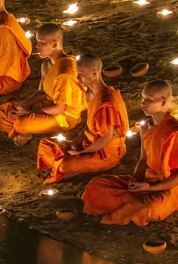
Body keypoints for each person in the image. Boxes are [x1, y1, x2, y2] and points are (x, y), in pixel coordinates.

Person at [81, 80, 178, 226]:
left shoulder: (177, 133)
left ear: (163, 102)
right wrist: (136, 180)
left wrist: (152, 188)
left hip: (170, 187)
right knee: (97, 185)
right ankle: (132, 201)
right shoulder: (146, 127)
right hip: (146, 181)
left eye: (149, 99)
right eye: (143, 98)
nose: (143, 103)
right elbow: (143, 160)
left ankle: (132, 205)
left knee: (151, 210)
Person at [37, 54, 128, 183]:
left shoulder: (107, 101)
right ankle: (61, 165)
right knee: (47, 144)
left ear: (95, 73)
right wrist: (76, 142)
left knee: (64, 165)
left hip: (106, 153)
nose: (77, 78)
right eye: (76, 73)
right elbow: (92, 125)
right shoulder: (91, 94)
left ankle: (62, 168)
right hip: (92, 143)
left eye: (81, 74)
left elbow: (106, 138)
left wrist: (83, 152)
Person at [0, 24, 85, 146]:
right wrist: (24, 104)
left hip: (63, 117)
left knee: (21, 123)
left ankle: (22, 132)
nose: (37, 46)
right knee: (3, 110)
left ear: (54, 44)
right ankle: (22, 132)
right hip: (46, 105)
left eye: (42, 43)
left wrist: (28, 111)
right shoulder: (46, 64)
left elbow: (59, 108)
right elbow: (42, 92)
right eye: (37, 42)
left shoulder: (64, 72)